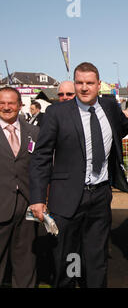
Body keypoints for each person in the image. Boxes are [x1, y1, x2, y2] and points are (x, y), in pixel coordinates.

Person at [29, 62, 128, 288]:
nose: (84, 88)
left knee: (96, 260)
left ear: (99, 85)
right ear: (75, 83)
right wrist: (37, 198)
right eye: (79, 83)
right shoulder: (57, 113)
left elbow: (125, 124)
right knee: (68, 257)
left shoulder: (109, 106)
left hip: (99, 198)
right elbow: (41, 157)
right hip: (66, 200)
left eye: (89, 83)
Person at [0, 87, 40, 288]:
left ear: (20, 105)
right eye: (2, 103)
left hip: (26, 207)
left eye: (11, 103)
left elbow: (42, 167)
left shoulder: (34, 132)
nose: (6, 107)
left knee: (26, 264)